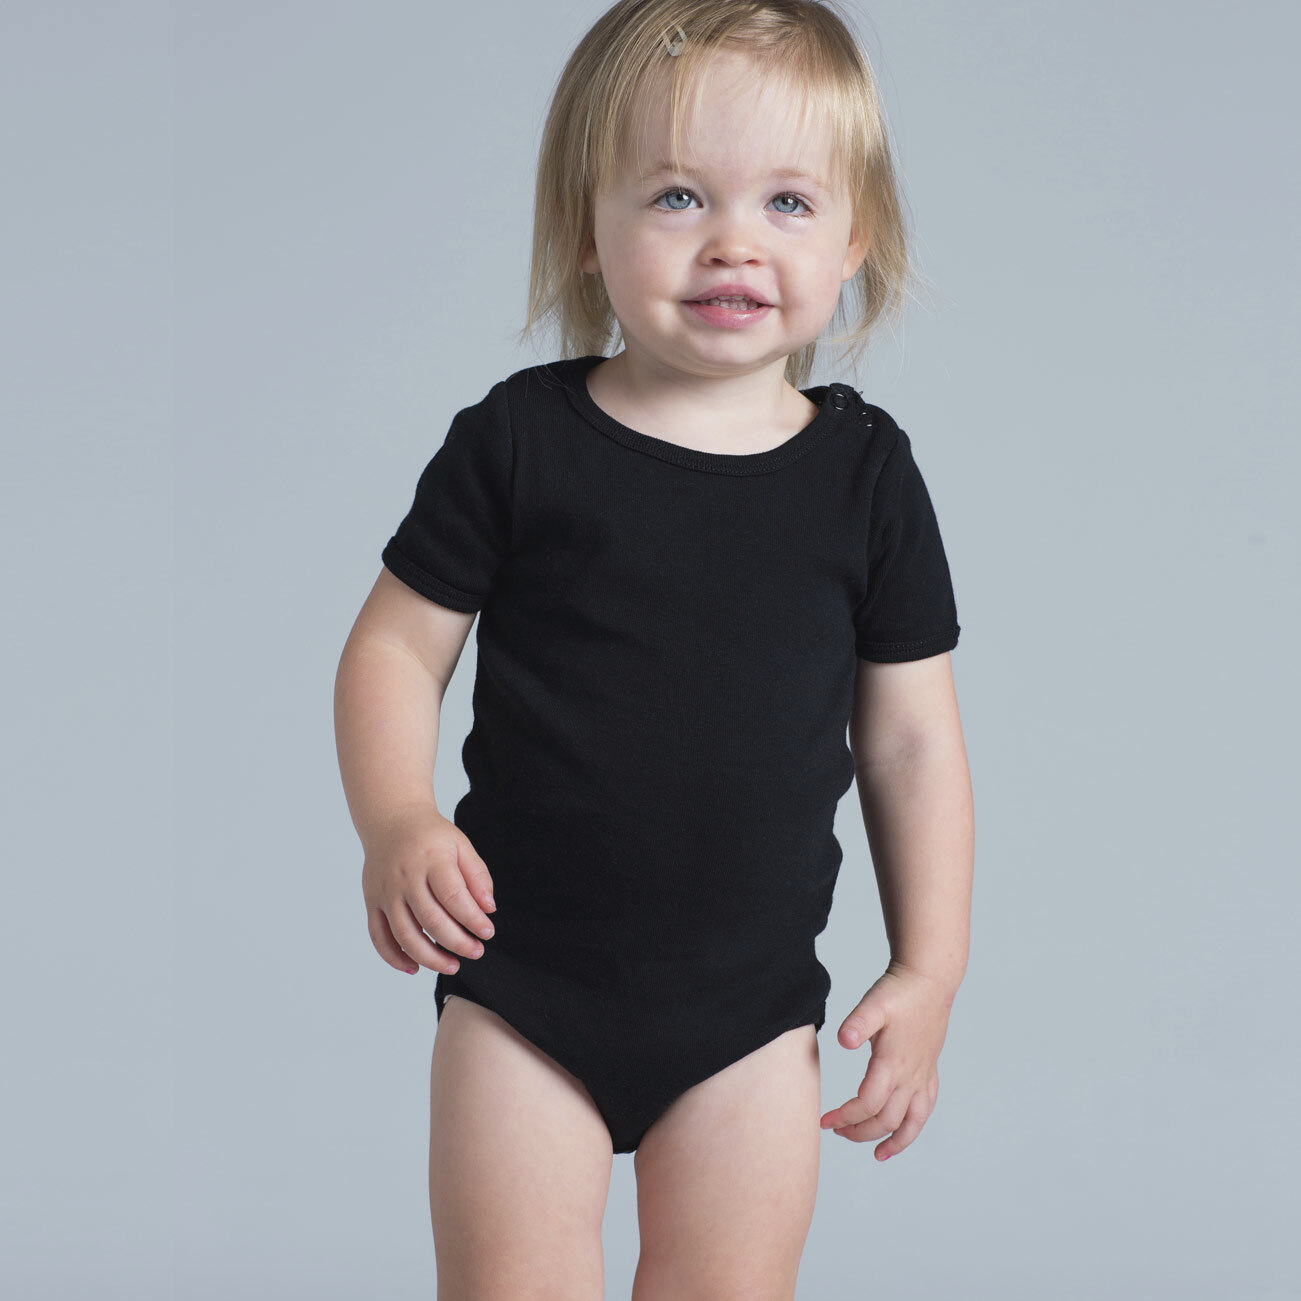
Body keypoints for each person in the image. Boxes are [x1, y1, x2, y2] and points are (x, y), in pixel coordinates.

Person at [334, 1, 974, 1295]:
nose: (734, 239)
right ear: (589, 224)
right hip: (523, 989)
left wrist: (929, 966)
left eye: (788, 202)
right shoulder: (519, 441)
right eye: (679, 196)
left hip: (747, 1017)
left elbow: (911, 740)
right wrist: (396, 817)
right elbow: (394, 651)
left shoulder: (864, 477)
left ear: (854, 236)